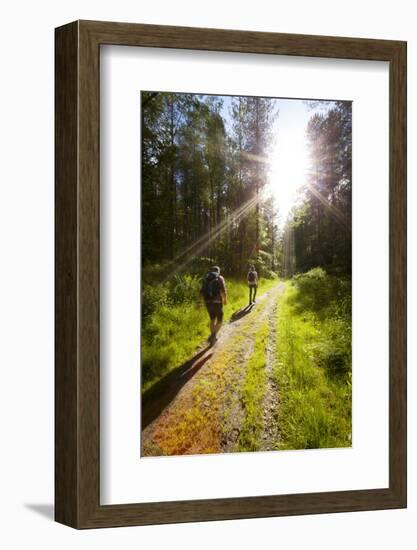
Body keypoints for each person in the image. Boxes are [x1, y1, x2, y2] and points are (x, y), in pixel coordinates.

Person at [201, 266, 227, 344]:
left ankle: (212, 335)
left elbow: (201, 291)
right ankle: (213, 335)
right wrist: (225, 299)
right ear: (218, 271)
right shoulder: (220, 278)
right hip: (217, 302)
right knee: (220, 320)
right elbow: (223, 290)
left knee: (212, 319)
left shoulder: (206, 278)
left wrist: (200, 302)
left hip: (208, 302)